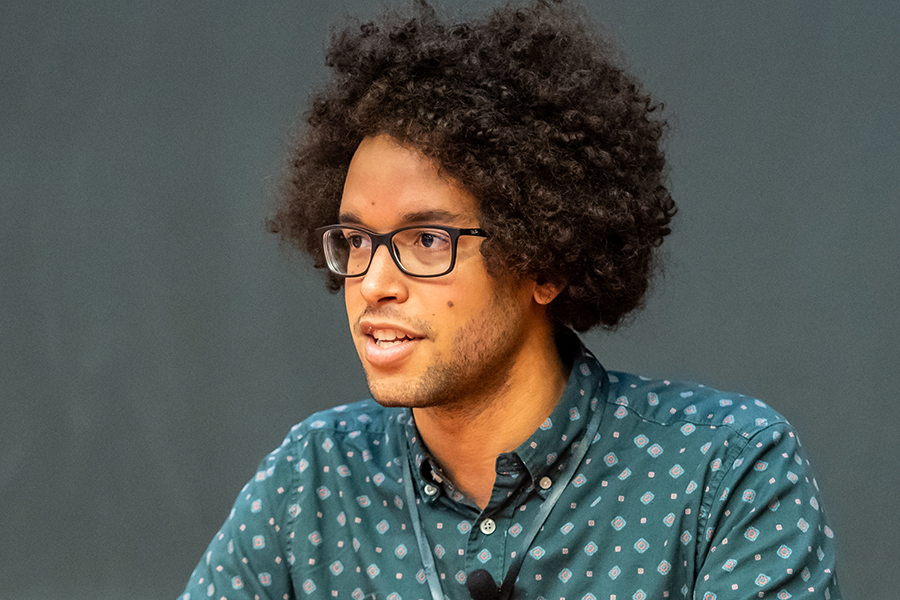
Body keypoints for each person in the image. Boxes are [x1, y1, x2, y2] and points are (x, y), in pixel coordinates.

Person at [179, 1, 840, 599]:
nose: (373, 282)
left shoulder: (721, 469)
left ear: (544, 260)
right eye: (356, 240)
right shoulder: (316, 477)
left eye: (428, 239)